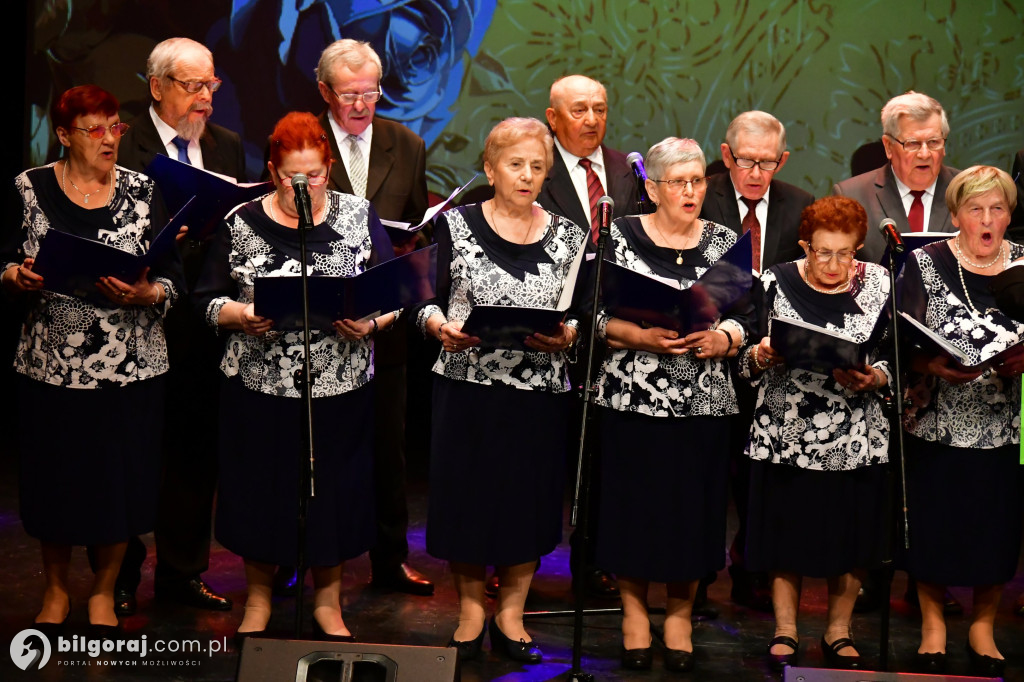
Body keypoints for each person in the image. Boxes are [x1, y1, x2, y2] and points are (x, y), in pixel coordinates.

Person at [193, 112, 396, 642]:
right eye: (290, 177)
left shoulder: (358, 215)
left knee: (332, 493)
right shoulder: (241, 221)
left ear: (330, 167)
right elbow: (205, 299)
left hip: (338, 388)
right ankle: (258, 599)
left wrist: (369, 322)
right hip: (261, 387)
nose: (302, 187)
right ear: (272, 170)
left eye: (315, 175)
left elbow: (394, 295)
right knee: (261, 490)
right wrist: (240, 315)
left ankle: (328, 603)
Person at [1, 85, 184, 637]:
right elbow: (4, 261)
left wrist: (148, 294)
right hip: (52, 367)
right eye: (95, 129)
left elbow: (172, 275)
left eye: (115, 128)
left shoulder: (142, 190)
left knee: (117, 486)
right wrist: (16, 276)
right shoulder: (28, 188)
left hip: (129, 367)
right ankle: (56, 590)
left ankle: (104, 592)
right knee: (55, 482)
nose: (109, 140)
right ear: (63, 135)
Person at [416, 117, 586, 662]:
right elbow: (426, 297)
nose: (527, 175)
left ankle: (511, 616)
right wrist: (438, 327)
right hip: (468, 388)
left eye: (538, 167)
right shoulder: (455, 225)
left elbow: (582, 311)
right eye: (516, 164)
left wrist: (567, 337)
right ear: (490, 169)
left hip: (536, 392)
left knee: (526, 502)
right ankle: (470, 614)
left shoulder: (569, 235)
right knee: (468, 499)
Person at [591, 137, 750, 673]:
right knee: (633, 509)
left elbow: (748, 317)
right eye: (678, 183)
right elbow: (586, 316)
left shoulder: (726, 241)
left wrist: (724, 339)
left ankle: (680, 615)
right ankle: (635, 614)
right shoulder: (619, 238)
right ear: (652, 188)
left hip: (702, 402)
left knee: (692, 512)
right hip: (632, 398)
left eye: (697, 181)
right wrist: (638, 336)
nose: (690, 191)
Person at [108, 35, 245, 616]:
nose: (205, 100)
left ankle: (182, 573)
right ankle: (117, 573)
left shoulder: (228, 147)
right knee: (130, 455)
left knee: (195, 456)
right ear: (156, 86)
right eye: (192, 87)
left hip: (201, 330)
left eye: (211, 85)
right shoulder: (123, 143)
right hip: (134, 323)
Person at [738, 196, 892, 672]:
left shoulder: (879, 282)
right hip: (785, 432)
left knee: (850, 538)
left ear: (858, 249)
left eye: (845, 253)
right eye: (822, 252)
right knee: (785, 536)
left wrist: (878, 377)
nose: (833, 264)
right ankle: (785, 628)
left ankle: (838, 631)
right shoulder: (775, 282)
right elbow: (744, 359)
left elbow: (895, 354)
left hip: (855, 434)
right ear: (805, 245)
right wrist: (763, 355)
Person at [313, 38, 433, 597]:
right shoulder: (302, 142)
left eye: (371, 92)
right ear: (325, 92)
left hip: (383, 325)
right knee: (318, 449)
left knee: (389, 450)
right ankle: (303, 555)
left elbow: (416, 225)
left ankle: (390, 559)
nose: (362, 105)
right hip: (318, 325)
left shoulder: (405, 143)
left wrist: (414, 241)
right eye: (349, 95)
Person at [897, 165, 1023, 677]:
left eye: (998, 209)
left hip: (1005, 424)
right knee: (937, 526)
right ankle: (933, 624)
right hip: (938, 419)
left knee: (994, 527)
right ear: (956, 215)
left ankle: (983, 625)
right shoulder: (925, 263)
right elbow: (900, 338)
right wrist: (932, 363)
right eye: (976, 209)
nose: (987, 220)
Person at [699, 110, 814, 612]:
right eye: (746, 160)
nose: (755, 172)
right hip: (705, 354)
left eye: (767, 162)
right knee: (706, 470)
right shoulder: (700, 194)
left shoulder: (799, 206)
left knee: (757, 473)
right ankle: (697, 574)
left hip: (770, 359)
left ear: (781, 161)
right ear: (726, 157)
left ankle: (751, 566)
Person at [536, 73, 637, 598]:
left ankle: (594, 560)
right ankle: (516, 562)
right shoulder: (535, 169)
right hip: (549, 331)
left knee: (603, 458)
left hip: (615, 336)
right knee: (542, 457)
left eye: (600, 108)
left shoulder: (628, 171)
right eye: (579, 110)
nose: (592, 119)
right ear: (553, 118)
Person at [833, 91, 959, 264]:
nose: (924, 154)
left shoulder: (967, 190)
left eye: (934, 142)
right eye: (912, 143)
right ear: (888, 147)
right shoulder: (851, 196)